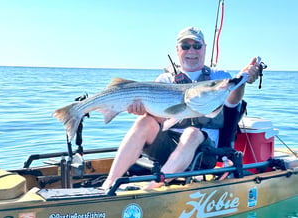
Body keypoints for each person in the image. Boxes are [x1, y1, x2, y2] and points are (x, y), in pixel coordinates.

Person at [101, 26, 260, 190]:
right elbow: (160, 121)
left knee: (191, 132)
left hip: (204, 153)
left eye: (197, 46)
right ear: (177, 50)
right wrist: (143, 111)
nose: (192, 51)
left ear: (205, 48)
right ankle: (109, 184)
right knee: (144, 122)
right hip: (169, 148)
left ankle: (151, 188)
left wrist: (242, 80)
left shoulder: (219, 77)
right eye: (185, 46)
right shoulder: (165, 79)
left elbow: (232, 101)